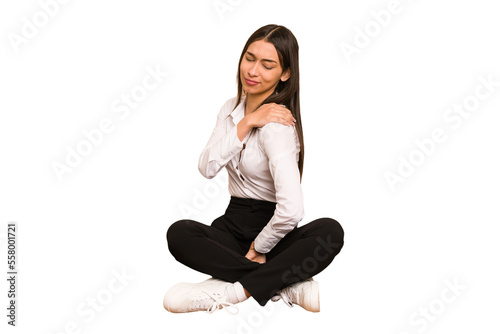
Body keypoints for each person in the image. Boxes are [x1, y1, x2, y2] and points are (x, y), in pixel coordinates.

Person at [164, 24, 344, 314]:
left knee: (330, 232)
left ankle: (234, 290)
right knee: (179, 233)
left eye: (267, 65)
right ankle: (284, 283)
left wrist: (260, 248)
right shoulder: (230, 109)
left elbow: (292, 211)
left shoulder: (278, 127)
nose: (253, 71)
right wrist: (247, 122)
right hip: (232, 225)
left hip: (275, 234)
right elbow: (207, 167)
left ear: (285, 74)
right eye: (250, 58)